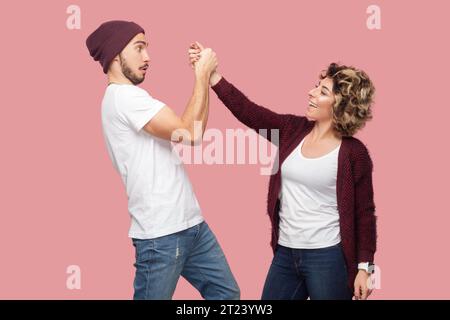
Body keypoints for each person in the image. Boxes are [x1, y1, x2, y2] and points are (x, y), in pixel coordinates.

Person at [189, 42, 377, 300]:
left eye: (322, 91)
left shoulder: (354, 154)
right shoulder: (292, 129)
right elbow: (249, 112)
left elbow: (365, 213)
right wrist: (212, 76)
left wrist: (365, 268)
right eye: (315, 86)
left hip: (329, 257)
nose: (311, 93)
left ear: (340, 105)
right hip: (286, 254)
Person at [86, 21, 239, 300]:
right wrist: (202, 74)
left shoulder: (130, 98)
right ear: (115, 54)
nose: (147, 57)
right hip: (162, 235)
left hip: (191, 225)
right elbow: (189, 131)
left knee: (226, 294)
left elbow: (195, 131)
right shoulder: (124, 99)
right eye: (139, 48)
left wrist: (202, 77)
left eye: (147, 48)